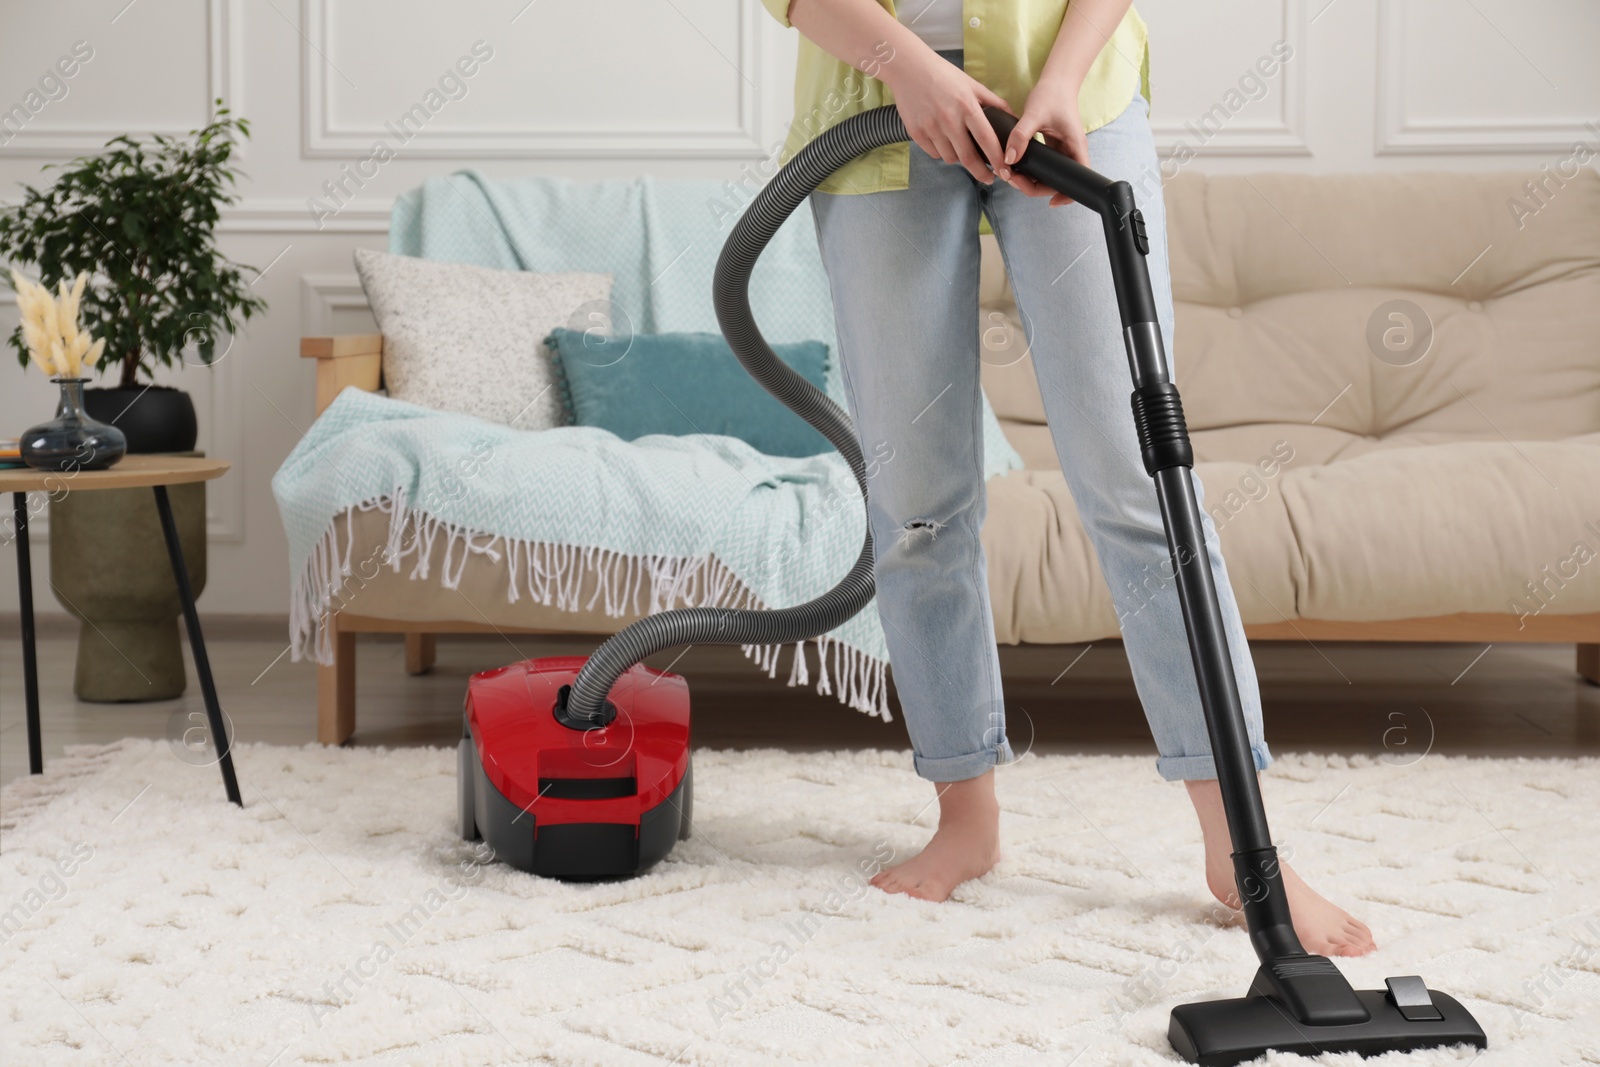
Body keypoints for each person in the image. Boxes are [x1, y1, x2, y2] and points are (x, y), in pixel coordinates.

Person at [760, 0, 1376, 958]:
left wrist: (1059, 78)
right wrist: (908, 67)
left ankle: (1241, 847)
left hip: (1073, 96)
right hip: (874, 102)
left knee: (1143, 489)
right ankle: (964, 815)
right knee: (917, 502)